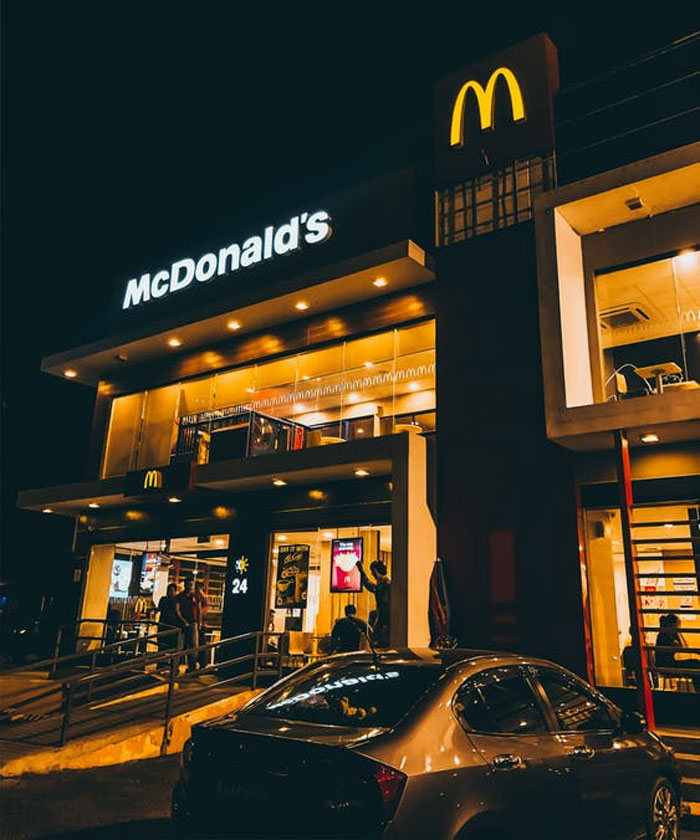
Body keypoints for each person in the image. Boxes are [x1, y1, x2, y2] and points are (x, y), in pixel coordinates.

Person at [655, 612, 700, 691]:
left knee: (695, 664)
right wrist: (678, 634)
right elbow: (681, 648)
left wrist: (677, 634)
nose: (678, 627)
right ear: (671, 625)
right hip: (667, 666)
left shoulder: (666, 635)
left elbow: (684, 646)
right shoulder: (664, 636)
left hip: (669, 664)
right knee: (695, 664)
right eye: (677, 625)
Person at [357, 560, 391, 647]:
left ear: (375, 570)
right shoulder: (386, 583)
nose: (372, 574)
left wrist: (361, 571)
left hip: (384, 626)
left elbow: (371, 586)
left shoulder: (384, 584)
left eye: (372, 572)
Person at [177, 578, 200, 670]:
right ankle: (176, 665)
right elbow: (177, 610)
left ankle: (192, 666)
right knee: (180, 646)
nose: (190, 586)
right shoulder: (180, 596)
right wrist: (182, 620)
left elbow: (199, 610)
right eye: (189, 584)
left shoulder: (195, 596)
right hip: (181, 624)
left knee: (194, 645)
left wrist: (199, 622)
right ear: (185, 585)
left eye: (192, 584)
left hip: (193, 623)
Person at [157, 583, 185, 651]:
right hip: (163, 624)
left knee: (171, 644)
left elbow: (178, 612)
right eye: (169, 590)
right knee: (162, 643)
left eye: (172, 591)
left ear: (175, 591)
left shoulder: (177, 600)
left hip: (172, 625)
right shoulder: (163, 599)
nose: (170, 592)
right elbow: (160, 608)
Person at [194, 580, 209, 667]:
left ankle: (202, 663)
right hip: (200, 623)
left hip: (199, 624)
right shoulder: (202, 597)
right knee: (200, 644)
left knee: (200, 644)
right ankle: (202, 663)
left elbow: (203, 611)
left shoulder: (201, 597)